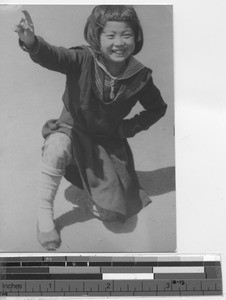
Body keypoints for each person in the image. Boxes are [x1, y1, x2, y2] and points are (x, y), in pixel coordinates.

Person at [15, 5, 167, 251]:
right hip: (72, 130)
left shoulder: (140, 77)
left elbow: (157, 108)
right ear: (96, 37)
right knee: (56, 146)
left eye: (126, 35)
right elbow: (53, 56)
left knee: (113, 215)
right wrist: (31, 42)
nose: (119, 43)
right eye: (111, 35)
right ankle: (44, 214)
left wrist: (127, 128)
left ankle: (97, 189)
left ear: (136, 37)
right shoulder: (83, 59)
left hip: (107, 142)